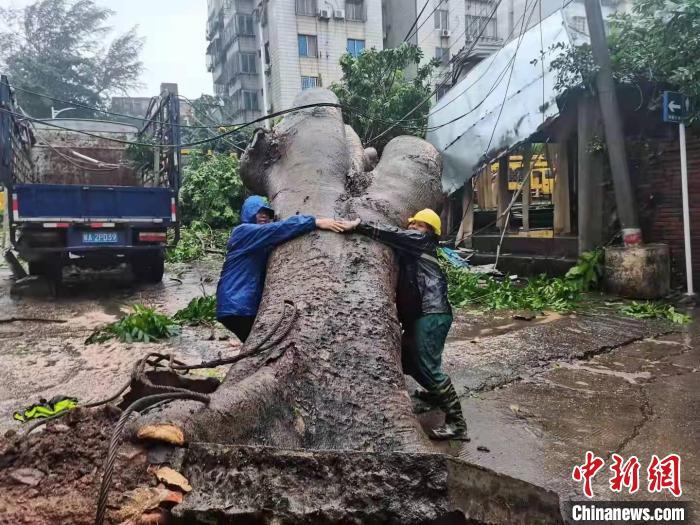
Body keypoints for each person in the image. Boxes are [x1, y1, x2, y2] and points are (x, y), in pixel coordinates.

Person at [341, 210, 468, 441]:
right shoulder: (414, 247)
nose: (413, 229)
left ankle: (457, 424)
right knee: (409, 360)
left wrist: (361, 226)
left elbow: (395, 234)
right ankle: (435, 394)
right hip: (420, 315)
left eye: (420, 226)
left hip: (430, 312)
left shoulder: (421, 241)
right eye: (413, 225)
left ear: (430, 232)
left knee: (429, 367)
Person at [216, 195, 343, 342]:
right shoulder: (243, 231)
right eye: (259, 212)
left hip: (238, 304)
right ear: (248, 213)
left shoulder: (258, 242)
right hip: (238, 304)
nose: (264, 216)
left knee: (256, 345)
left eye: (268, 214)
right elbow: (278, 228)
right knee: (264, 345)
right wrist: (315, 222)